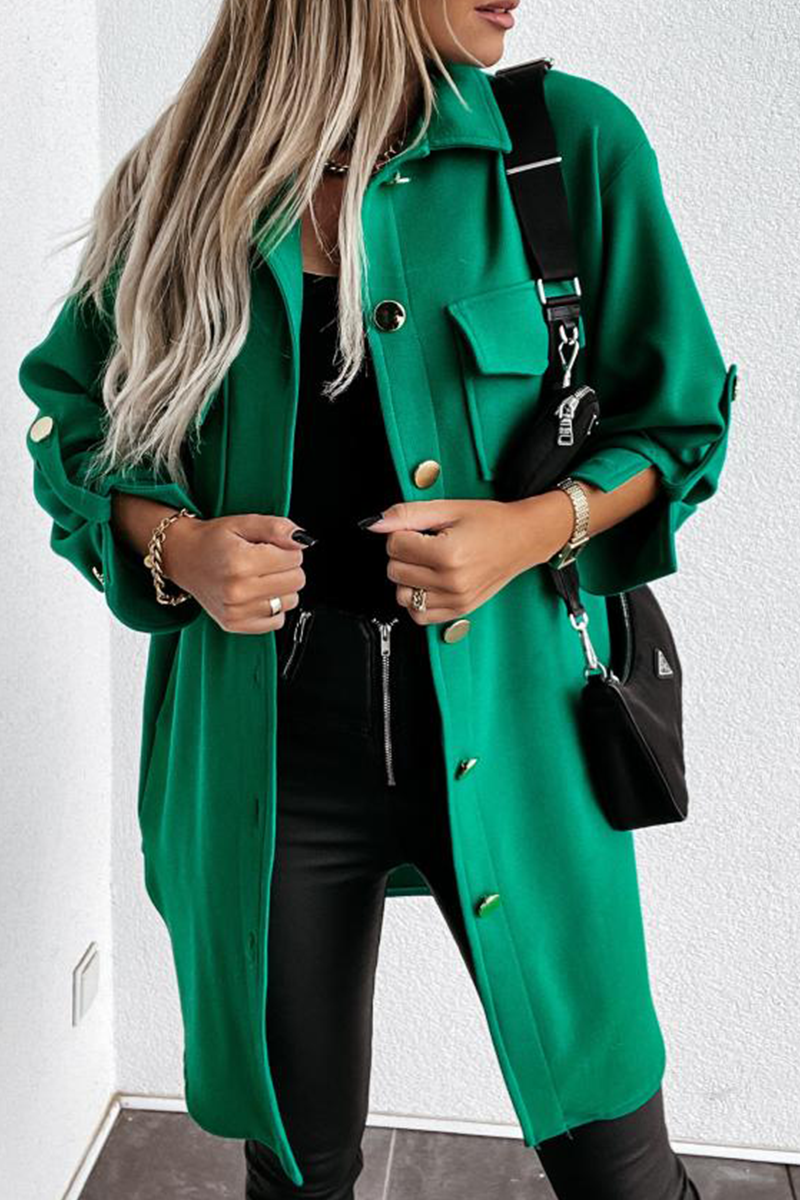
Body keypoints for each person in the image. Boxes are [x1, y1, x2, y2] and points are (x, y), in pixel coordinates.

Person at [19, 1, 736, 1198]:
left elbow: (676, 421)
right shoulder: (181, 183)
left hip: (520, 729)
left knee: (619, 1167)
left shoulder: (564, 144)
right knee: (296, 1168)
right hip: (267, 746)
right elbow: (72, 423)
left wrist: (526, 531)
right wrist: (176, 548)